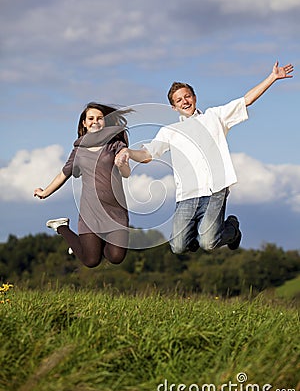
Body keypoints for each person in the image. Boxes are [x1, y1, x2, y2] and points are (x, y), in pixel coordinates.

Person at [115, 61, 294, 254]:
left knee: (208, 242)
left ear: (194, 97)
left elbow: (246, 101)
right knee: (178, 246)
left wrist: (272, 78)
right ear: (173, 107)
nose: (184, 101)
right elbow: (148, 154)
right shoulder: (169, 131)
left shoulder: (214, 117)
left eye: (187, 96)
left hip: (214, 190)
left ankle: (232, 229)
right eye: (179, 100)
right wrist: (129, 152)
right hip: (187, 196)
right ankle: (197, 237)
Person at [34, 102, 132, 268]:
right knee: (91, 260)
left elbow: (126, 172)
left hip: (115, 211)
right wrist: (45, 193)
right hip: (90, 211)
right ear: (84, 124)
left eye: (100, 118)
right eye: (91, 118)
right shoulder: (78, 151)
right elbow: (63, 175)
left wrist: (122, 163)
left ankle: (84, 246)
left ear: (105, 122)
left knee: (116, 257)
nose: (95, 121)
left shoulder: (115, 145)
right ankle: (62, 227)